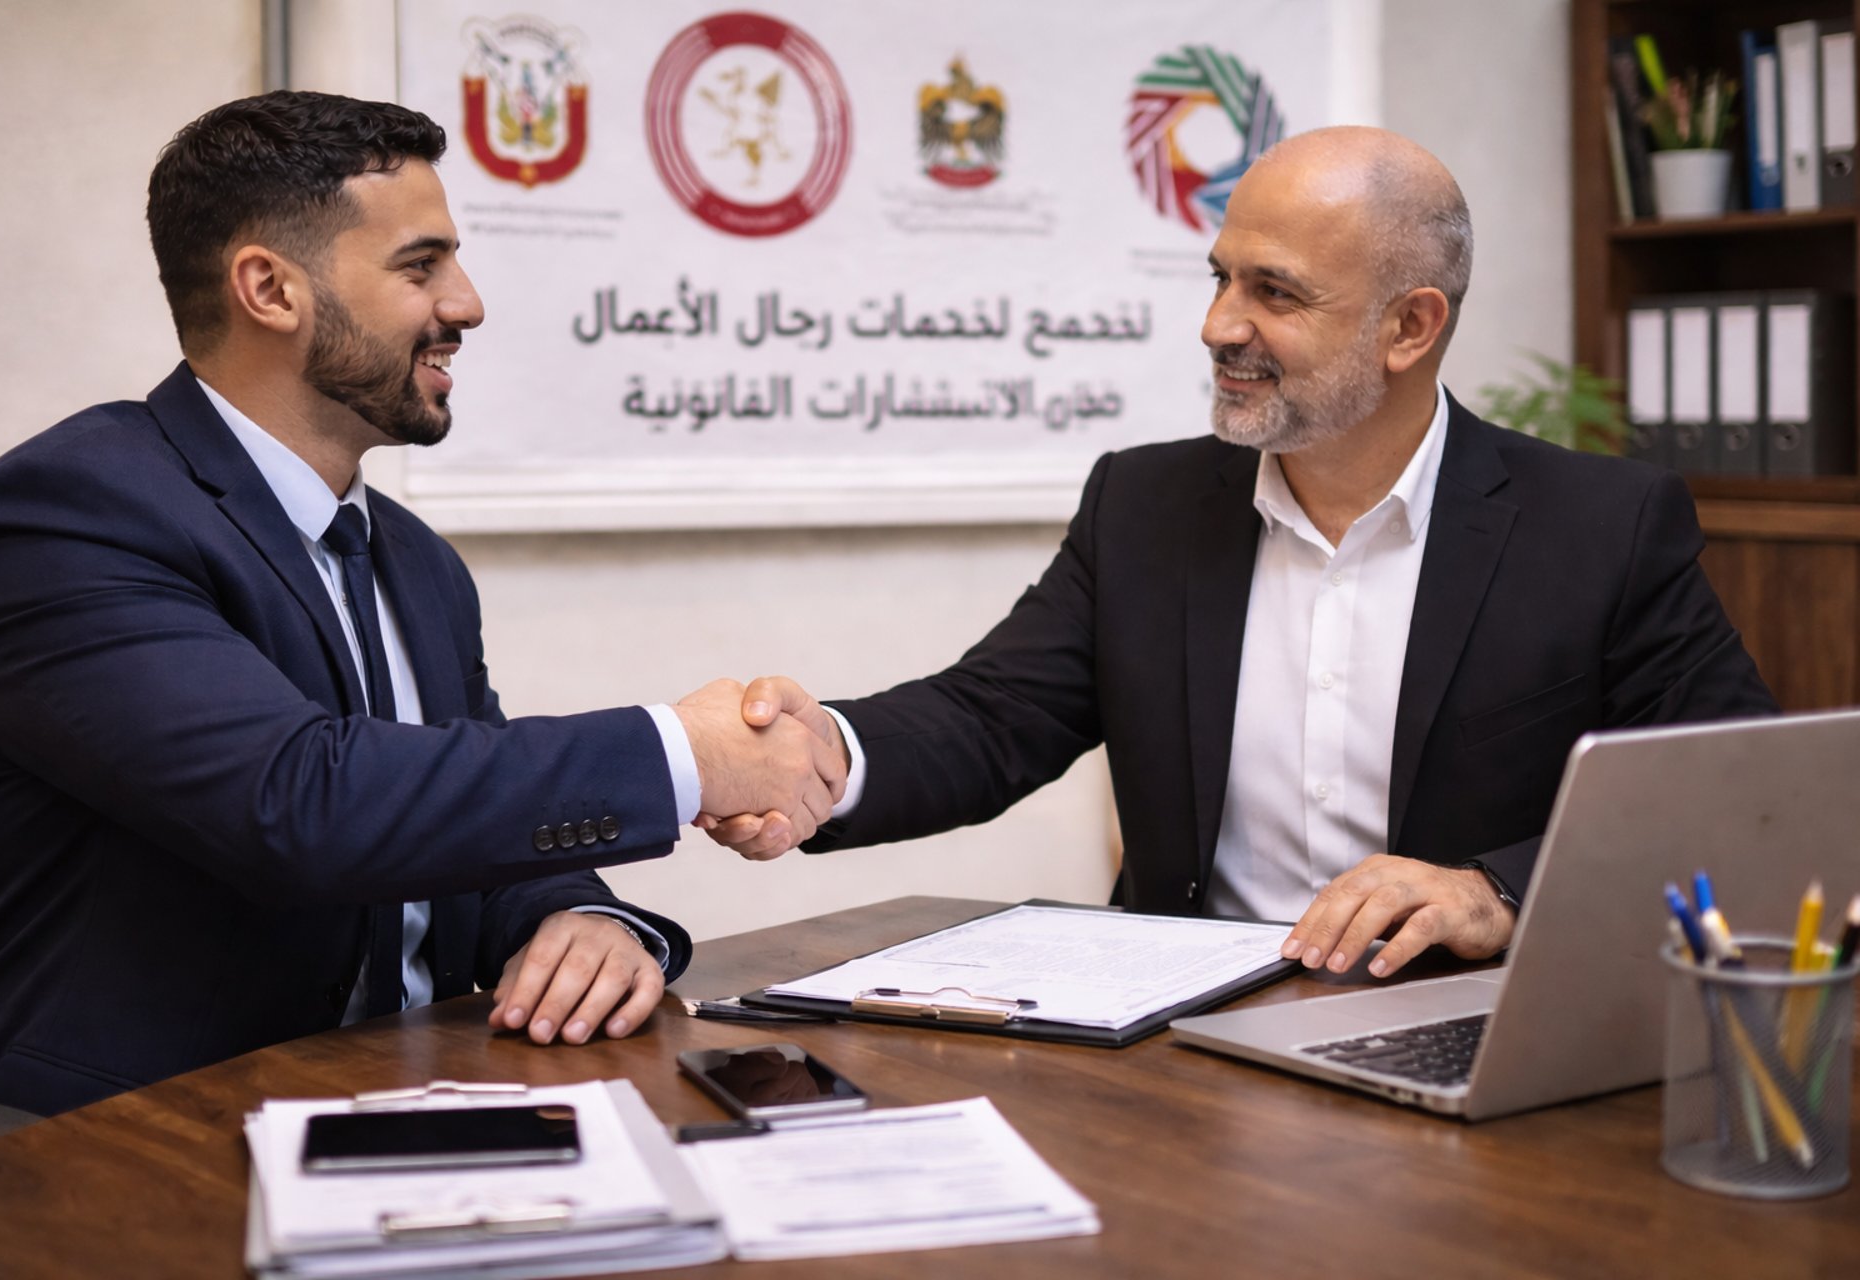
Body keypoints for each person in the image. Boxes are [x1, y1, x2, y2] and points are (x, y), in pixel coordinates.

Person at [0, 91, 842, 1115]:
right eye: (421, 267)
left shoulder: (416, 560)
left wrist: (581, 919)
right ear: (269, 289)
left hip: (410, 1104)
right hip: (126, 1139)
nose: (468, 304)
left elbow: (460, 816)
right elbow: (299, 804)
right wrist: (683, 753)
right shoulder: (71, 514)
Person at [701, 126, 1776, 981]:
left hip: (1464, 1023)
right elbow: (992, 716)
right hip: (1187, 1040)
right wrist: (828, 756)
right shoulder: (1145, 504)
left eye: (1275, 291)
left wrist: (1495, 891)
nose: (1219, 325)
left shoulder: (1599, 526)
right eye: (1221, 279)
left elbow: (1740, 800)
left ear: (1410, 327)